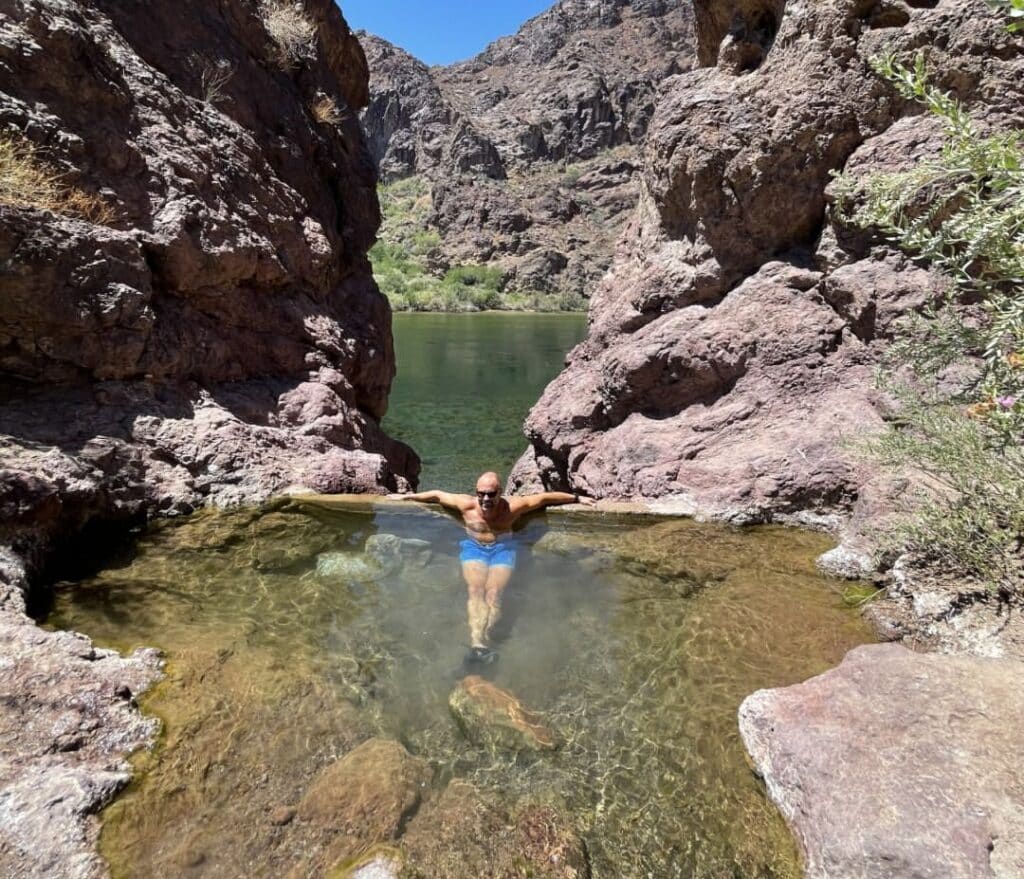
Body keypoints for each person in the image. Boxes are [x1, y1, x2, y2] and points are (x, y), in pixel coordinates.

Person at [391, 471, 593, 663]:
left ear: (500, 492)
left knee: (494, 592)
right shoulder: (467, 505)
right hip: (474, 548)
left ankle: (487, 639)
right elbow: (436, 495)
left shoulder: (512, 507)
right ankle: (477, 644)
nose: (486, 499)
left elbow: (543, 499)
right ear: (476, 492)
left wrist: (577, 499)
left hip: (502, 548)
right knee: (475, 590)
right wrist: (407, 498)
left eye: (491, 494)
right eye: (481, 494)